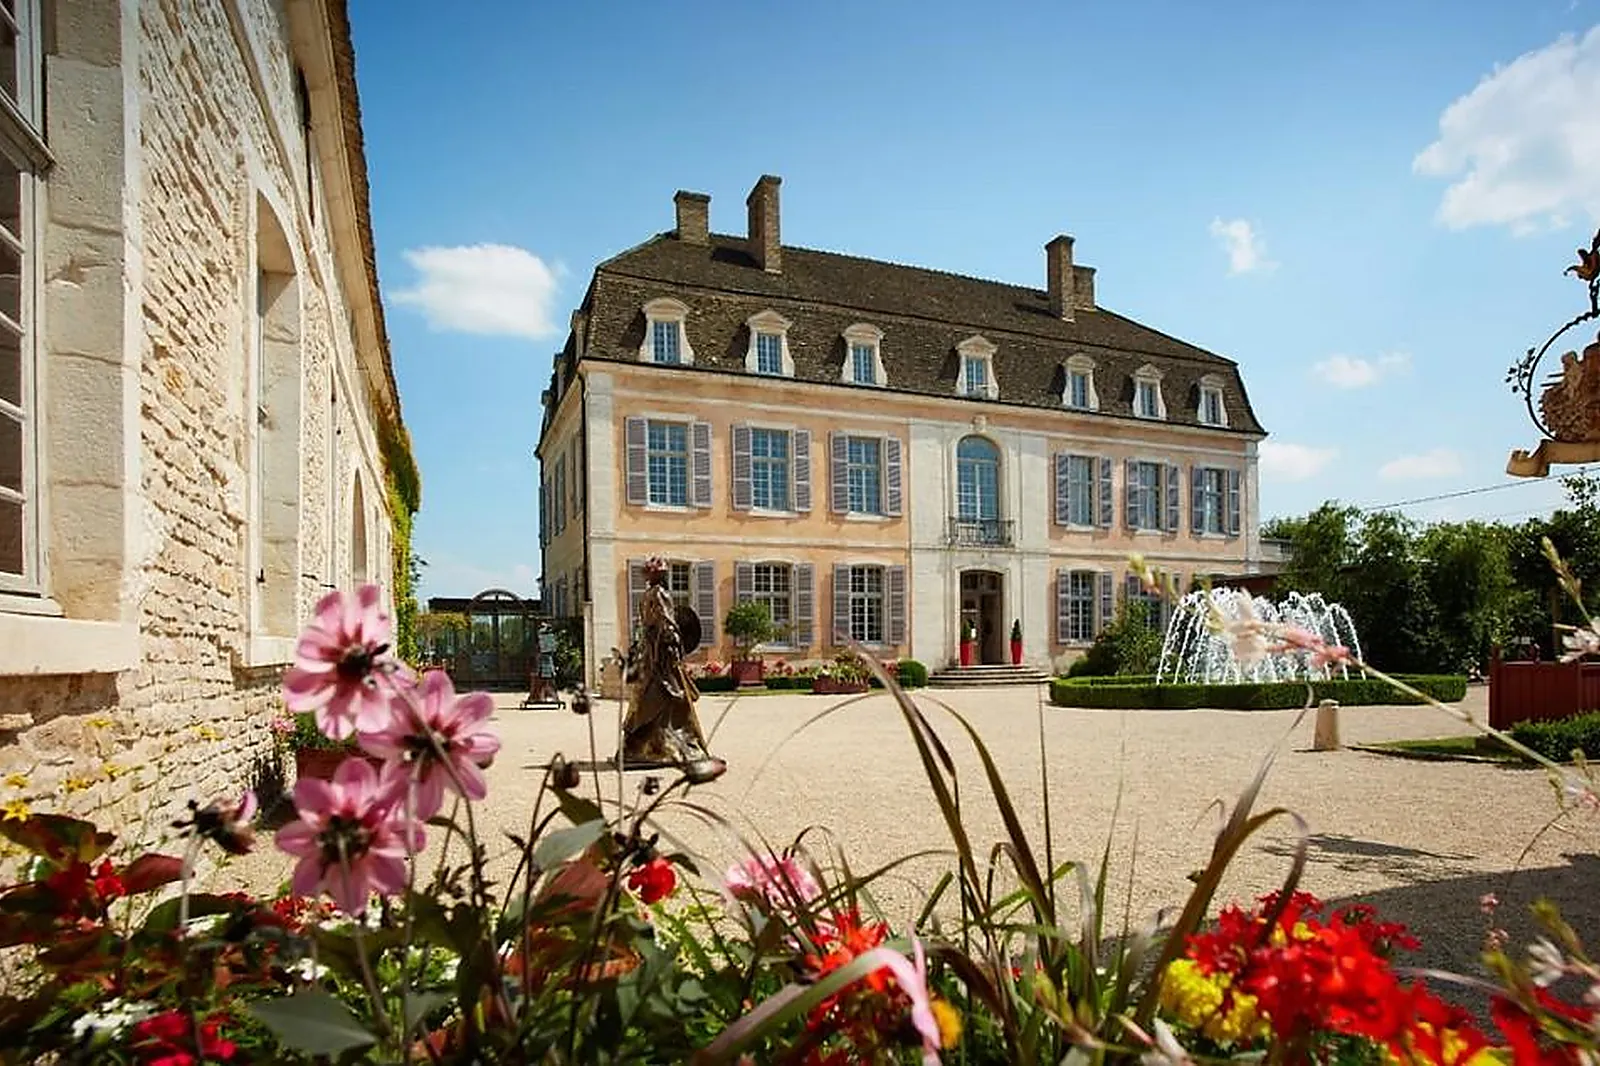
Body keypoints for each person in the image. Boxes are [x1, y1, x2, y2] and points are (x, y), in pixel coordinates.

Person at [618, 556, 713, 765]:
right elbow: (668, 622)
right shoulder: (660, 594)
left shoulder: (646, 595)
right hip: (660, 654)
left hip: (650, 653)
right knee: (669, 695)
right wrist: (673, 647)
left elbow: (648, 625)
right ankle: (666, 746)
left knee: (654, 697)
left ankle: (649, 746)